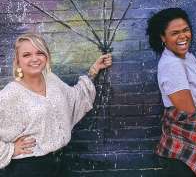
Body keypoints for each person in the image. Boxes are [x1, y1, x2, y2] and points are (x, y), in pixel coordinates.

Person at [0, 33, 112, 176]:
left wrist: (94, 70)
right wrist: (10, 149)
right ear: (18, 61)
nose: (34, 59)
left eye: (40, 52)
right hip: (28, 168)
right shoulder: (10, 94)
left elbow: (75, 99)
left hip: (60, 164)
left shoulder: (52, 80)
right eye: (26, 55)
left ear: (46, 56)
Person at [147, 8, 196, 177]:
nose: (183, 36)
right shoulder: (171, 65)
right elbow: (192, 119)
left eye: (186, 30)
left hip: (195, 147)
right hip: (183, 154)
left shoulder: (188, 57)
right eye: (175, 33)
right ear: (163, 38)